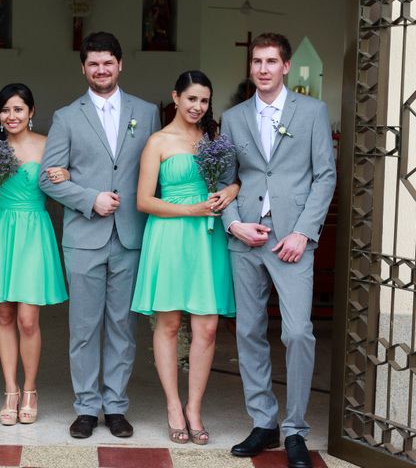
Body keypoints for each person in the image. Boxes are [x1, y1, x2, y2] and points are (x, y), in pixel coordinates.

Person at [220, 33, 336, 468]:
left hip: (292, 240)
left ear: (286, 66)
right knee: (248, 332)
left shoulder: (312, 112)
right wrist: (233, 222)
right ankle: (264, 421)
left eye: (271, 61)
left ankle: (295, 429)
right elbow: (225, 178)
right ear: (250, 67)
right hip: (246, 237)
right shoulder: (232, 118)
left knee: (297, 333)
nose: (263, 68)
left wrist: (303, 233)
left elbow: (325, 175)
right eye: (257, 61)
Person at [39, 32, 161, 439]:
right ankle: (87, 406)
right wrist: (90, 197)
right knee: (85, 327)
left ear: (120, 64)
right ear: (84, 69)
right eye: (94, 63)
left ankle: (117, 405)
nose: (101, 70)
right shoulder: (66, 117)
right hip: (84, 235)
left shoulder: (146, 113)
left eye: (108, 62)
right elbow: (47, 178)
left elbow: (155, 172)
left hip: (130, 236)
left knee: (123, 327)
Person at [131, 70, 238, 444]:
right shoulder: (158, 142)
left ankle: (195, 407)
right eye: (191, 98)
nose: (197, 106)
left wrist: (232, 190)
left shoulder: (214, 139)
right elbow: (143, 200)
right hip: (171, 233)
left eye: (204, 100)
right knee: (171, 324)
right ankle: (173, 405)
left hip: (207, 240)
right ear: (175, 98)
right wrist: (190, 210)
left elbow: (233, 178)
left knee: (207, 326)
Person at [0, 83, 68, 425]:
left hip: (33, 231)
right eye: (5, 110)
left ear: (31, 112)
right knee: (3, 315)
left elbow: (63, 185)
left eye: (17, 109)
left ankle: (30, 389)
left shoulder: (48, 145)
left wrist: (66, 173)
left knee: (28, 318)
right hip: (0, 232)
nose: (10, 116)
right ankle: (10, 390)